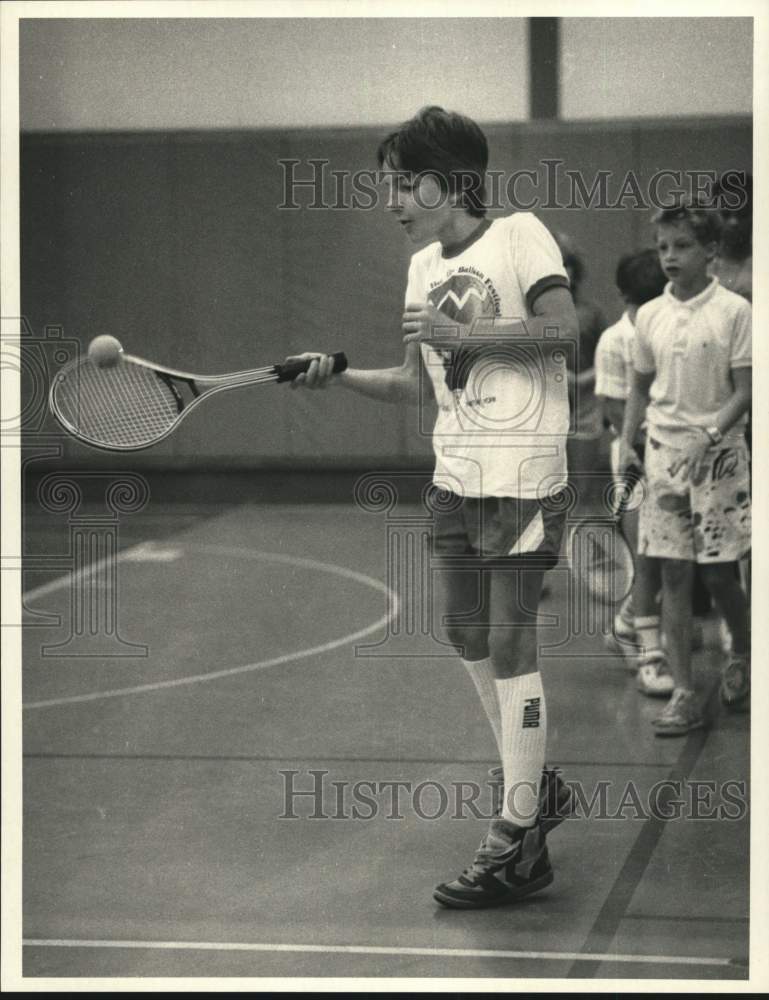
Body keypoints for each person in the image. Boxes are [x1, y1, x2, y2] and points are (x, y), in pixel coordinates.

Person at [289, 106, 578, 907]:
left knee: (512, 638)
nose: (391, 199)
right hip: (455, 474)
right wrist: (336, 373)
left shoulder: (520, 234)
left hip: (522, 471)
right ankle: (535, 785)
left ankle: (518, 832)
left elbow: (566, 333)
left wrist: (473, 338)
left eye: (400, 183)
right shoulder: (421, 266)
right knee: (462, 631)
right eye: (386, 183)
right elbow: (418, 381)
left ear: (447, 180)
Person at [619, 200, 752, 735]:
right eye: (663, 247)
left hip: (719, 457)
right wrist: (628, 445)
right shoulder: (649, 315)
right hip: (664, 457)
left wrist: (710, 436)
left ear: (712, 252)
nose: (670, 256)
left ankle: (742, 652)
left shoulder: (736, 312)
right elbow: (638, 389)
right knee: (672, 572)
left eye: (682, 246)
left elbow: (746, 391)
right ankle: (684, 692)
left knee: (719, 573)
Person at [594, 249, 670, 696]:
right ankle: (643, 643)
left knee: (662, 556)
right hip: (635, 461)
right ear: (625, 298)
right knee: (646, 556)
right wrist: (640, 447)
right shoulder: (614, 340)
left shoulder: (664, 326)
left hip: (671, 455)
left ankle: (625, 626)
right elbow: (614, 405)